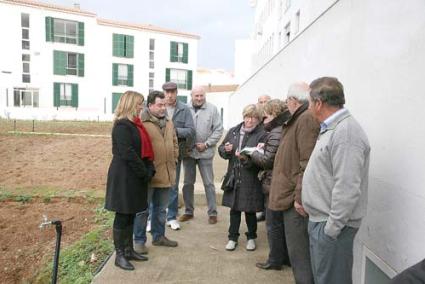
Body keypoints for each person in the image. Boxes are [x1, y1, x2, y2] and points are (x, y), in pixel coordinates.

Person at [303, 77, 371, 284]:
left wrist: (331, 229)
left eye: (308, 103)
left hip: (332, 227)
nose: (308, 107)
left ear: (318, 103)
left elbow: (348, 187)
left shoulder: (346, 133)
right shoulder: (333, 129)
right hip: (322, 222)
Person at [268, 82, 319, 284]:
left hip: (295, 202)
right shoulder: (299, 118)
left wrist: (299, 197)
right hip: (290, 197)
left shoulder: (305, 119)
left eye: (286, 100)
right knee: (298, 255)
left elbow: (307, 163)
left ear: (293, 100)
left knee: (301, 257)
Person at [105, 91, 154, 270]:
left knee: (131, 212)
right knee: (122, 214)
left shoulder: (135, 125)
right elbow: (128, 153)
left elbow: (142, 151)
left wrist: (149, 168)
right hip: (123, 176)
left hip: (133, 175)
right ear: (131, 104)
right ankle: (119, 255)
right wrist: (144, 172)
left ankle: (128, 250)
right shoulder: (122, 126)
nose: (142, 107)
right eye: (140, 103)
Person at [133, 90, 179, 253]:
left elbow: (174, 142)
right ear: (150, 105)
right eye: (159, 105)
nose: (163, 108)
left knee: (161, 210)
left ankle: (159, 237)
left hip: (166, 173)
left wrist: (174, 158)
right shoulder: (141, 123)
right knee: (142, 210)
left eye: (164, 105)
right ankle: (139, 241)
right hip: (149, 175)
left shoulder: (169, 122)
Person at [250, 99, 291, 270]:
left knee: (273, 224)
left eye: (265, 116)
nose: (263, 120)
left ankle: (275, 260)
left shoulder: (275, 132)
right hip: (280, 182)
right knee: (281, 225)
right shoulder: (283, 129)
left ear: (273, 114)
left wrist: (253, 153)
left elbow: (268, 160)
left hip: (273, 184)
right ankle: (284, 257)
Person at [218, 104, 265, 251]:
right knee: (234, 209)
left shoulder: (262, 134)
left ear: (258, 119)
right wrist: (225, 150)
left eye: (253, 118)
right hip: (234, 175)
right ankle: (232, 238)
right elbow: (221, 149)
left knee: (250, 210)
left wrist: (245, 158)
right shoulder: (234, 131)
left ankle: (251, 237)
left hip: (250, 178)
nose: (249, 121)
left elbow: (262, 159)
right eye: (247, 117)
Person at [179, 86, 224, 224]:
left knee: (209, 183)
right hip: (189, 153)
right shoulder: (184, 109)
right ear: (191, 95)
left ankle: (212, 213)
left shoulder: (212, 109)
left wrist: (207, 144)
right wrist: (185, 146)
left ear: (205, 96)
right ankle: (188, 211)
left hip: (205, 152)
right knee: (187, 183)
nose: (199, 98)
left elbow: (218, 130)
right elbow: (180, 128)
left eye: (201, 96)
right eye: (196, 96)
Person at [163, 82, 195, 231]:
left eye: (172, 92)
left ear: (176, 92)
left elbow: (190, 131)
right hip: (158, 153)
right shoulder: (157, 106)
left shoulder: (185, 109)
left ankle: (171, 217)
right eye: (167, 92)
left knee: (173, 186)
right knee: (155, 185)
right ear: (164, 93)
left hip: (176, 153)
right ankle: (153, 217)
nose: (169, 95)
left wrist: (173, 130)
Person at [255, 94, 272, 222]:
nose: (263, 104)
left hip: (269, 156)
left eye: (265, 101)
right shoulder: (257, 119)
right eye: (260, 102)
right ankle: (261, 211)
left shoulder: (273, 117)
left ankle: (267, 212)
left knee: (268, 187)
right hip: (258, 155)